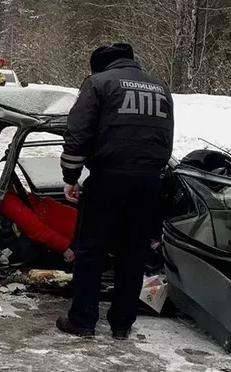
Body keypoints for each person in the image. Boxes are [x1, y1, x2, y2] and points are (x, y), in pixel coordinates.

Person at [57, 43, 174, 339]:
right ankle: (122, 324)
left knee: (91, 250)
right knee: (133, 253)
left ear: (100, 65)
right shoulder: (160, 87)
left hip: (109, 179)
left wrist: (71, 176)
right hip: (149, 182)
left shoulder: (98, 84)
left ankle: (82, 320)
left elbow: (78, 133)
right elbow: (166, 137)